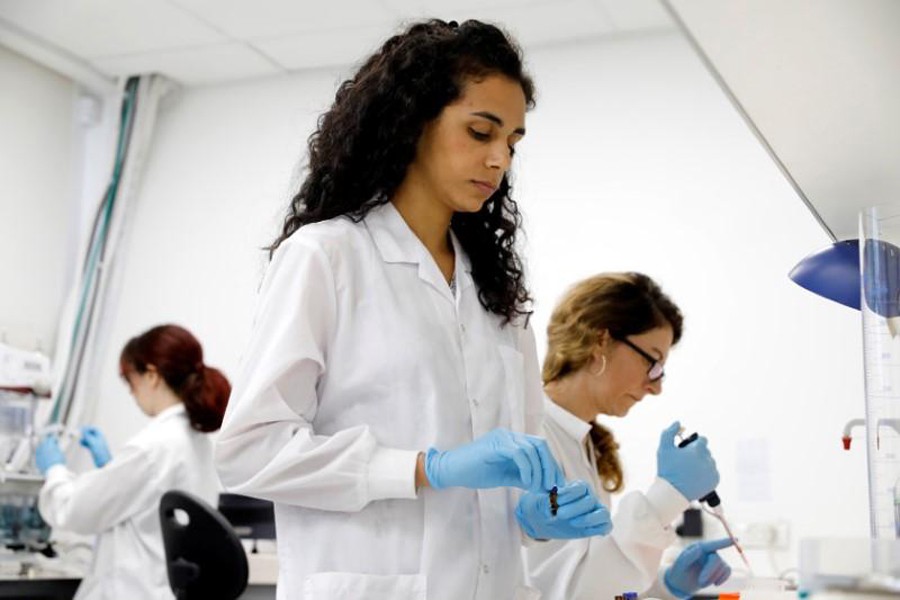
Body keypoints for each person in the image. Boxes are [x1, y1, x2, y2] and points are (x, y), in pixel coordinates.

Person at [214, 18, 612, 600]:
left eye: (512, 143)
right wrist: (428, 468)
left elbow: (502, 488)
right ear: (411, 122)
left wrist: (531, 517)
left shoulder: (498, 298)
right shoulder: (327, 257)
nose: (499, 159)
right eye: (481, 132)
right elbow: (248, 452)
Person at [524, 273, 733, 599]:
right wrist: (665, 498)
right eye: (652, 362)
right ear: (600, 341)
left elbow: (597, 580)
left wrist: (666, 587)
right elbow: (563, 591)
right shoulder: (530, 437)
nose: (656, 386)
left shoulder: (581, 444)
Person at [35, 324, 230, 600]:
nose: (131, 392)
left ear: (151, 376)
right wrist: (109, 466)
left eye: (130, 381)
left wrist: (54, 470)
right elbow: (146, 507)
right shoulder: (196, 441)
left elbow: (74, 511)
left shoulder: (151, 447)